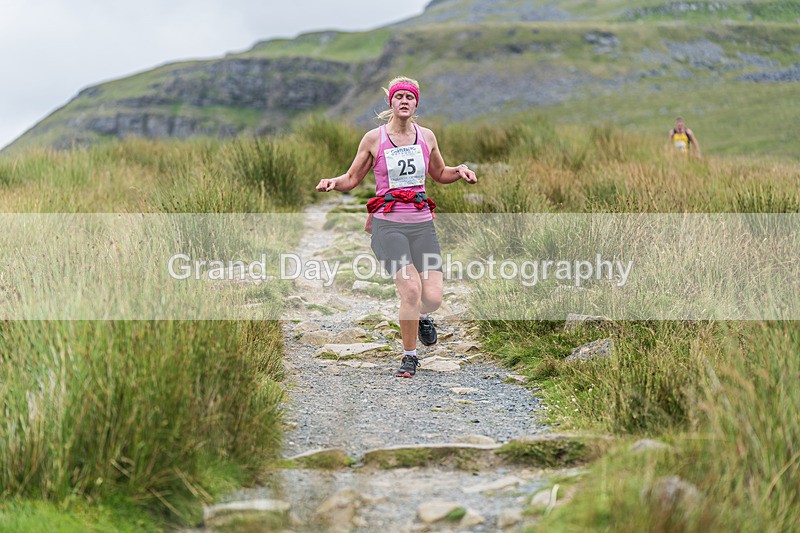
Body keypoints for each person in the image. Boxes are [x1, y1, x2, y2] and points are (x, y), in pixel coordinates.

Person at [316, 76, 477, 378]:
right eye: (398, 96)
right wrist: (332, 183)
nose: (404, 101)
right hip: (388, 226)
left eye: (410, 97)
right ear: (390, 102)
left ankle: (423, 317)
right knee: (412, 291)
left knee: (433, 298)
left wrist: (461, 171)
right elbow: (351, 179)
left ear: (416, 103)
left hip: (422, 226)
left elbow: (440, 173)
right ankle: (409, 356)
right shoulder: (374, 139)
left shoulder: (426, 137)